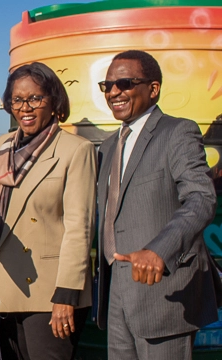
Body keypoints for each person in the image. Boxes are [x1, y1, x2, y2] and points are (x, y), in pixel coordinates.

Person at [0, 62, 95, 360]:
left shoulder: (75, 150)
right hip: (1, 286)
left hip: (50, 293)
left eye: (35, 98)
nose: (25, 107)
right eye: (17, 100)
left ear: (54, 101)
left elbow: (78, 228)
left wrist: (66, 295)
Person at [94, 50, 222, 359]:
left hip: (162, 291)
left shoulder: (177, 132)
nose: (113, 92)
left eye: (124, 83)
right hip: (116, 289)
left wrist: (159, 249)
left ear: (153, 89)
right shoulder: (109, 146)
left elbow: (201, 197)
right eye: (107, 85)